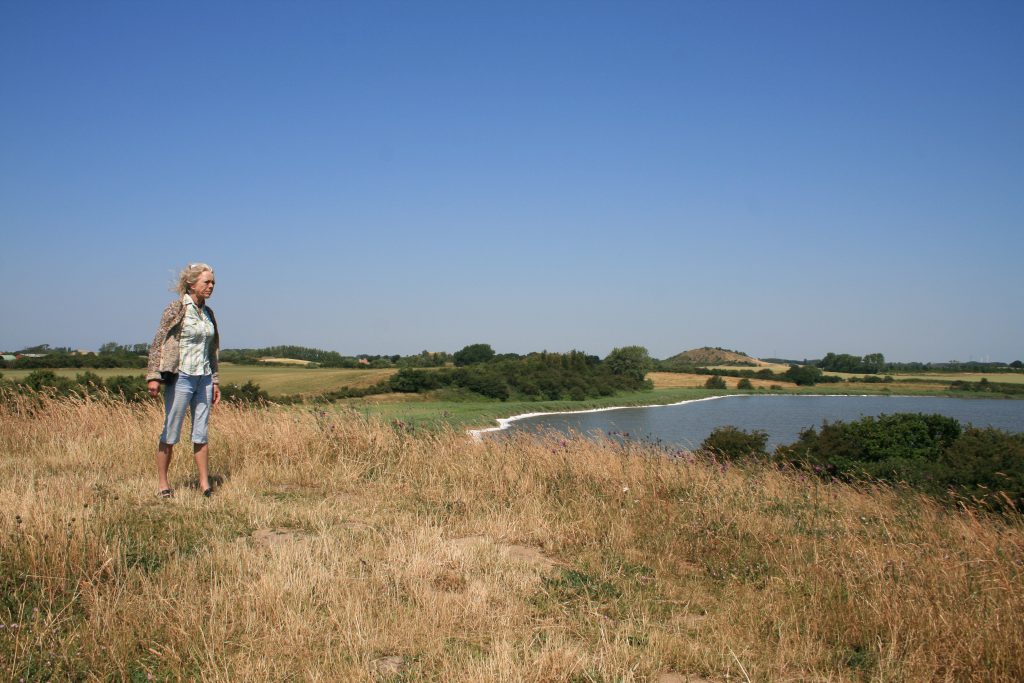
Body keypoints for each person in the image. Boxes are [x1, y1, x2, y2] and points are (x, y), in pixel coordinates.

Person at [146, 263, 222, 498]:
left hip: (204, 377)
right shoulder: (176, 308)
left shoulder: (208, 313)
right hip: (181, 376)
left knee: (201, 432)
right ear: (192, 284)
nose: (211, 286)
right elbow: (158, 342)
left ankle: (205, 485)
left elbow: (212, 350)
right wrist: (153, 376)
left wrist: (215, 380)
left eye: (213, 283)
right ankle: (163, 484)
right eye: (206, 282)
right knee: (171, 430)